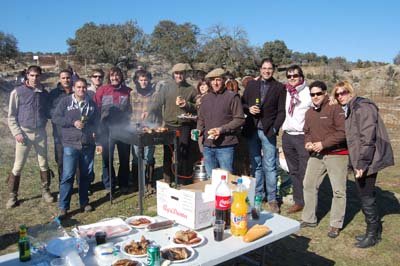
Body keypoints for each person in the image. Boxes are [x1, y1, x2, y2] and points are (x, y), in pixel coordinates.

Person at [333, 81, 394, 248]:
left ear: (350, 92)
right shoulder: (352, 108)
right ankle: (373, 231)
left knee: (366, 194)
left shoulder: (362, 107)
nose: (340, 96)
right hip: (363, 158)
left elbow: (368, 138)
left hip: (369, 158)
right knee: (365, 193)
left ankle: (373, 235)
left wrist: (361, 164)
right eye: (337, 94)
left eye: (343, 92)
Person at [300, 81, 348, 239]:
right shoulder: (309, 113)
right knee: (308, 184)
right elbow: (306, 131)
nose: (315, 97)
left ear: (325, 93)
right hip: (316, 154)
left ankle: (335, 224)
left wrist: (324, 144)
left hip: (337, 154)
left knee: (338, 191)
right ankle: (309, 219)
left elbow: (343, 132)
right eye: (312, 94)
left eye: (318, 93)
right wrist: (308, 142)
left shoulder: (335, 108)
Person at [241, 58, 286, 213]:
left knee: (270, 166)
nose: (267, 71)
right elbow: (242, 103)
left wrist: (274, 129)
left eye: (270, 68)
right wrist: (249, 109)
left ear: (273, 70)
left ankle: (272, 199)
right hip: (252, 130)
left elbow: (281, 112)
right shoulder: (252, 85)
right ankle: (258, 195)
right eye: (264, 68)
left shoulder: (279, 87)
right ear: (260, 69)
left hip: (268, 131)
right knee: (256, 165)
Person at [6, 65, 53, 208]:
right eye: (32, 75)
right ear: (27, 75)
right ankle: (13, 196)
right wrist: (17, 133)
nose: (34, 78)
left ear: (41, 76)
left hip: (40, 132)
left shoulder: (44, 93)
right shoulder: (17, 92)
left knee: (43, 163)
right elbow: (11, 116)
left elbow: (48, 112)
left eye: (37, 76)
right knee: (18, 166)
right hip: (24, 133)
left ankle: (46, 190)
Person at [53, 78, 99, 218]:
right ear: (74, 88)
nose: (81, 90)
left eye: (84, 87)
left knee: (85, 175)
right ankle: (63, 206)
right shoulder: (66, 102)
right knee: (68, 175)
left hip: (87, 143)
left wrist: (94, 130)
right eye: (78, 87)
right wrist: (73, 122)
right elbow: (56, 118)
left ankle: (84, 202)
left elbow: (96, 121)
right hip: (70, 143)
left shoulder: (91, 104)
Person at [147, 63, 199, 184]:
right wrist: (149, 116)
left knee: (183, 153)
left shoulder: (191, 89)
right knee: (167, 153)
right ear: (173, 74)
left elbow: (197, 107)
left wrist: (187, 105)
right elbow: (157, 104)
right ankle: (167, 179)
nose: (179, 75)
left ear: (185, 74)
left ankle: (183, 179)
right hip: (169, 125)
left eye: (181, 73)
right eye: (176, 73)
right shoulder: (166, 88)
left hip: (184, 125)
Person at [197, 68, 245, 177]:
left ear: (223, 80)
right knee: (211, 177)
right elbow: (201, 119)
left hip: (225, 145)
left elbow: (240, 119)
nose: (215, 82)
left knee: (226, 177)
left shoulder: (232, 97)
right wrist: (198, 130)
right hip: (208, 145)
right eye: (212, 80)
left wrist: (221, 129)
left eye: (218, 80)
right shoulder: (205, 99)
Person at [94, 67, 132, 194]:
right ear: (108, 77)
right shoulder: (102, 90)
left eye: (117, 75)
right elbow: (95, 111)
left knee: (124, 158)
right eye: (112, 76)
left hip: (123, 130)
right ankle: (109, 184)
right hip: (106, 130)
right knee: (107, 159)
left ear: (121, 77)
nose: (114, 78)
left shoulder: (128, 92)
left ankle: (124, 183)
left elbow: (132, 110)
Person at [281, 65, 313, 214]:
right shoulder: (285, 92)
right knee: (293, 171)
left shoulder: (309, 93)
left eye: (295, 75)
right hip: (287, 136)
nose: (292, 78)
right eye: (289, 76)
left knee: (305, 170)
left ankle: (310, 201)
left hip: (302, 136)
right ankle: (299, 201)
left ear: (301, 77)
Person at [130, 69, 161, 191]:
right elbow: (129, 110)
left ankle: (149, 182)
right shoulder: (132, 94)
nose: (143, 82)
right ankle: (136, 182)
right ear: (137, 81)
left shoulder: (155, 95)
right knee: (137, 156)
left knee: (149, 155)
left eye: (146, 80)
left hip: (150, 128)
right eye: (141, 80)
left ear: (149, 80)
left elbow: (158, 111)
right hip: (136, 128)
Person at [48, 69, 74, 187]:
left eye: (68, 77)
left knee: (77, 160)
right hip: (59, 134)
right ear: (59, 79)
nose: (66, 80)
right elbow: (50, 112)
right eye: (63, 78)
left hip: (76, 133)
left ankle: (80, 184)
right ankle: (63, 185)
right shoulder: (53, 94)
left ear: (72, 78)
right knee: (60, 160)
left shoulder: (77, 91)